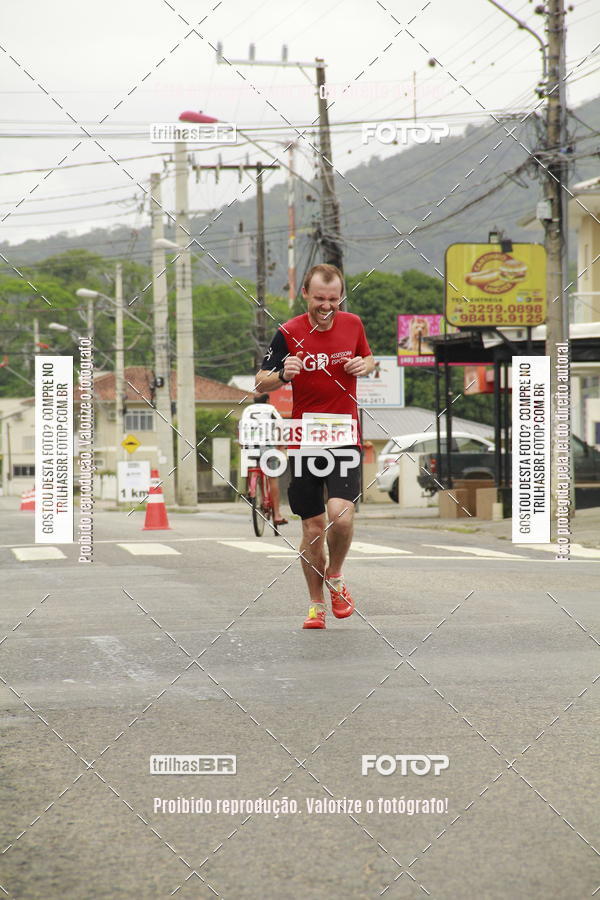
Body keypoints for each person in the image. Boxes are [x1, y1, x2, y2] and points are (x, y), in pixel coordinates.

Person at [255, 263, 375, 630]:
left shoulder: (353, 325)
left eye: (333, 299)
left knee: (341, 513)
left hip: (343, 436)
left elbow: (370, 358)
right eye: (320, 298)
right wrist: (281, 374)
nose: (327, 306)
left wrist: (363, 365)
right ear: (305, 293)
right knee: (311, 528)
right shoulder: (288, 333)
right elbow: (260, 382)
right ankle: (315, 603)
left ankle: (335, 577)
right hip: (305, 440)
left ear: (341, 296)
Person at [239, 393, 287, 526]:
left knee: (251, 466)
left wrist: (243, 444)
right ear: (267, 400)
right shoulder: (270, 409)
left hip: (250, 446)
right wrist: (281, 444)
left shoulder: (247, 410)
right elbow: (280, 426)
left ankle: (250, 489)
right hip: (267, 446)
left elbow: (241, 427)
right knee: (272, 478)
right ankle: (277, 514)